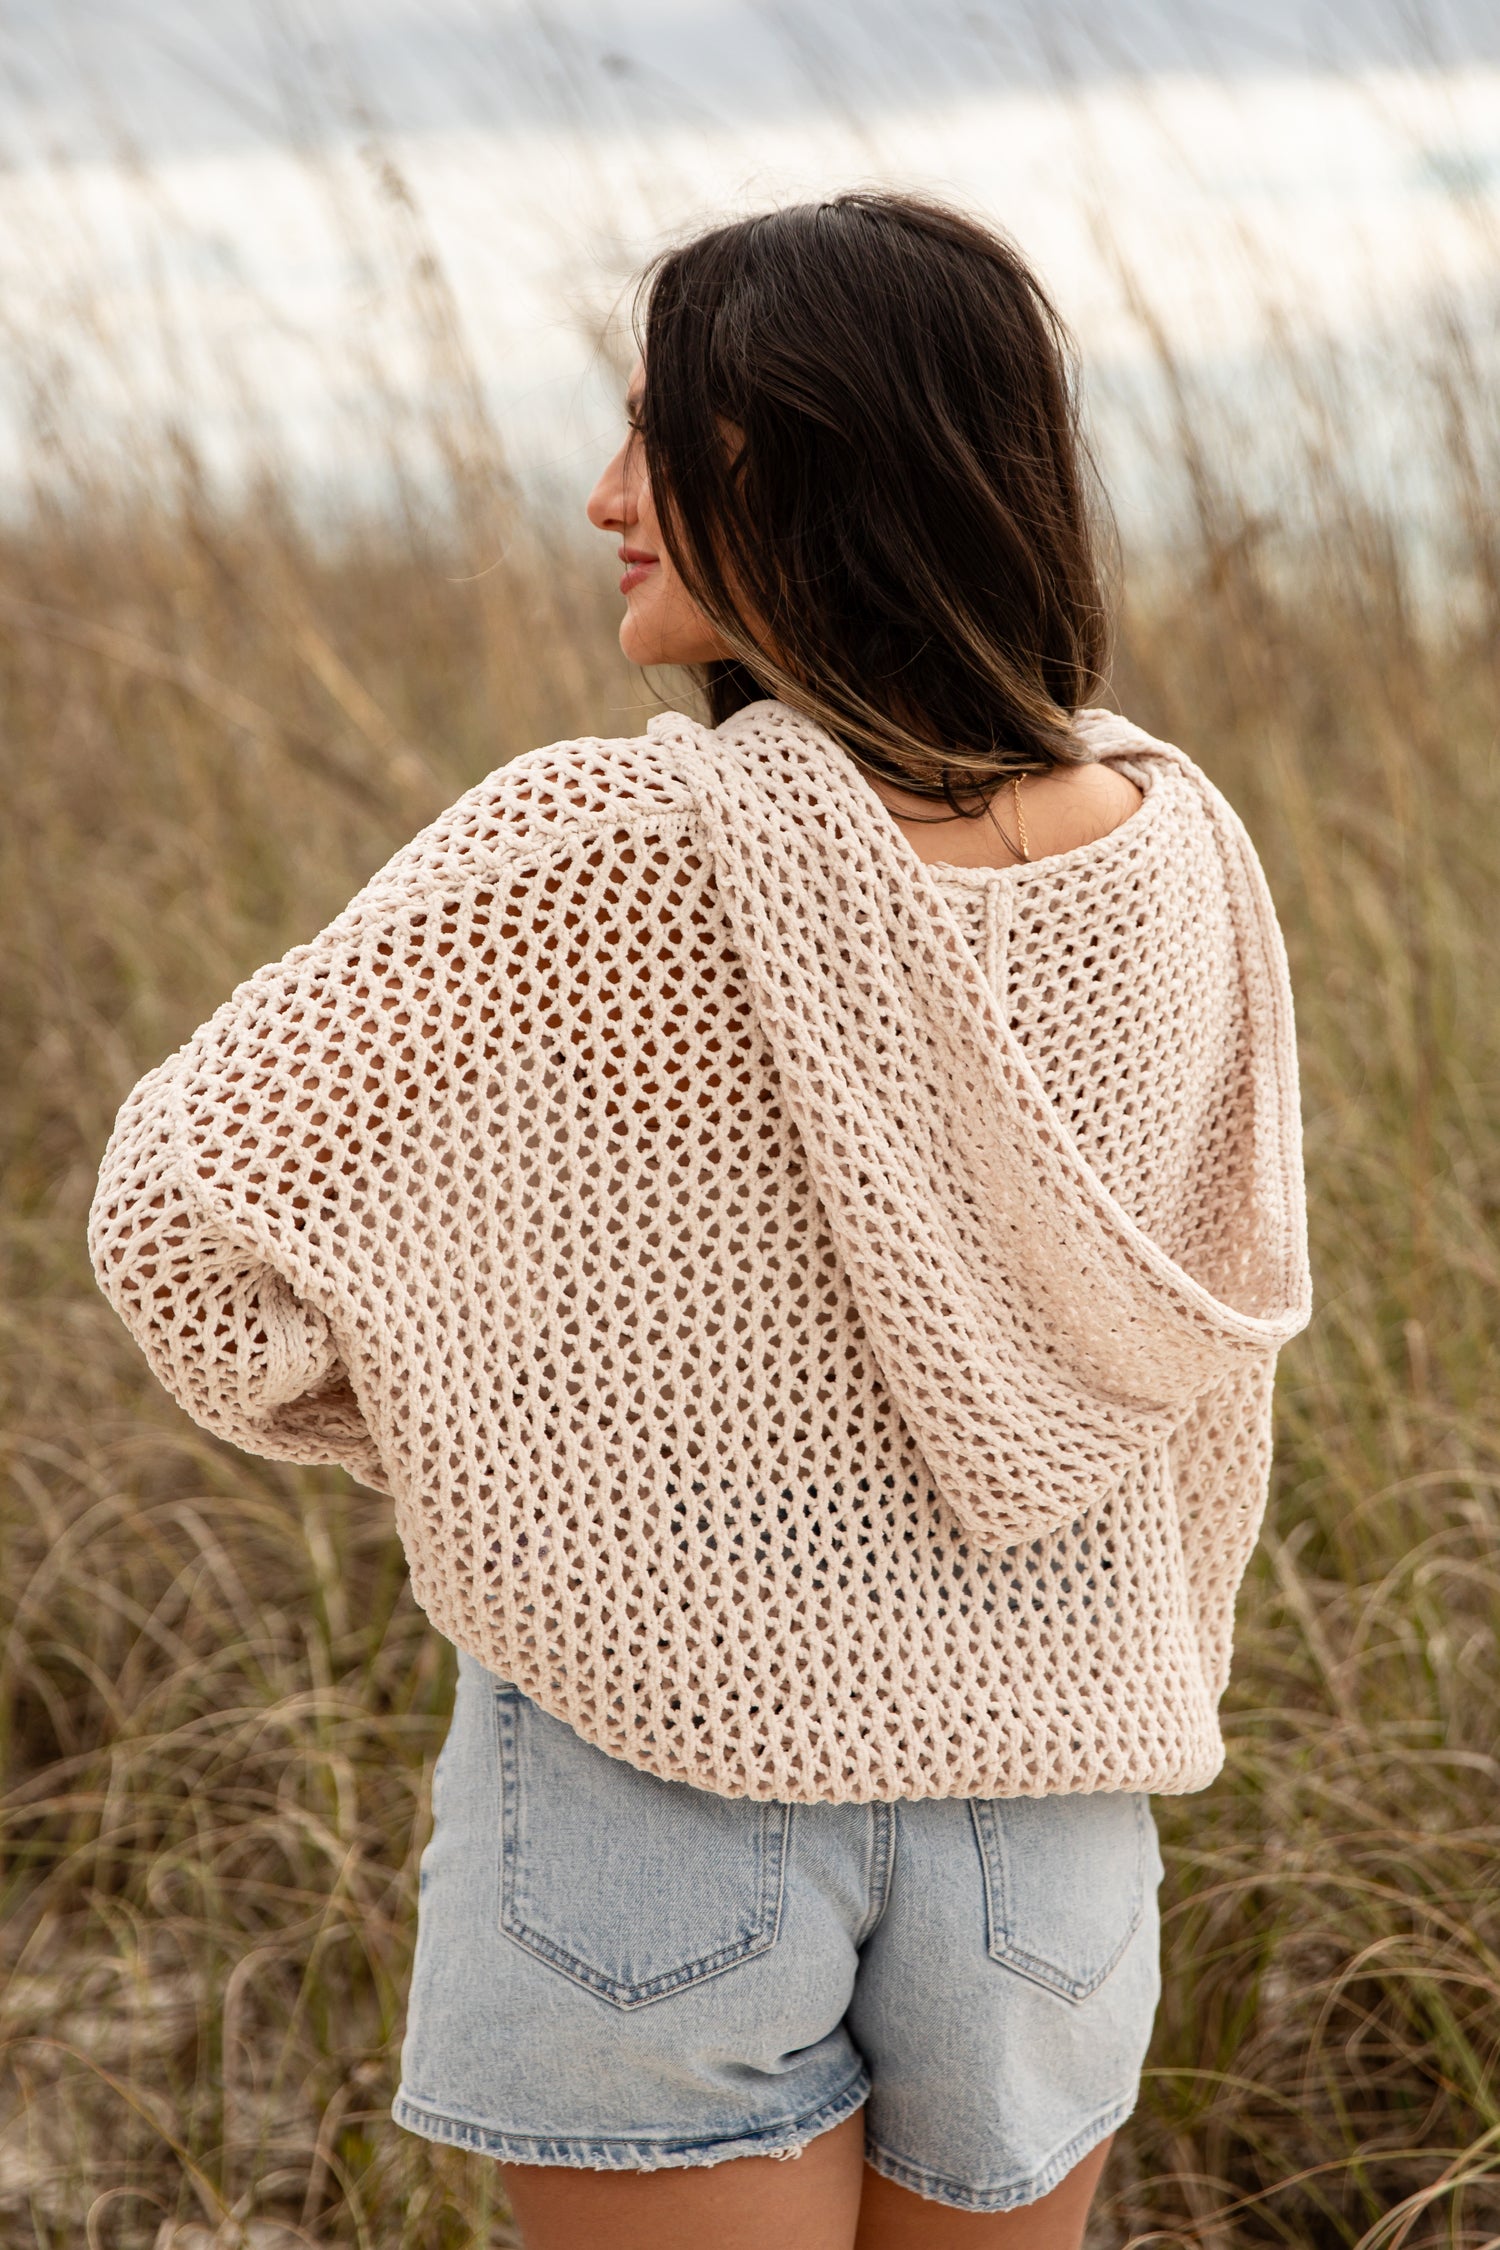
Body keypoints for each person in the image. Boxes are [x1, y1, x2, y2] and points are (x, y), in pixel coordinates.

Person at [89, 193, 1311, 2249]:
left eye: (660, 438)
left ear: (808, 453)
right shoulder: (1178, 859)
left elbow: (181, 1226)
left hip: (661, 1788)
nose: (602, 498)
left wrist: (511, 1428)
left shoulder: (600, 857)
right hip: (1053, 1823)